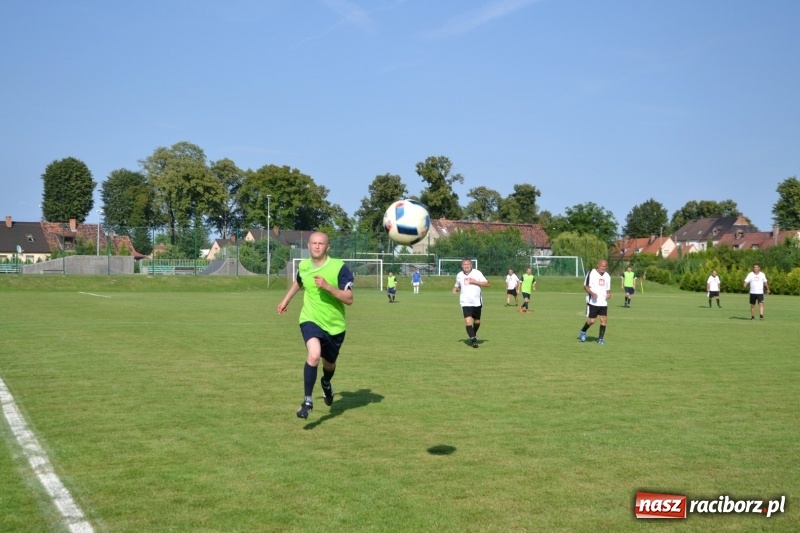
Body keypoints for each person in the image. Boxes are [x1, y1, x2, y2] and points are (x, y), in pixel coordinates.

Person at [277, 232, 354, 419]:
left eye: (321, 243)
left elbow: (349, 299)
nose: (317, 246)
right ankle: (307, 401)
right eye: (314, 243)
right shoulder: (303, 266)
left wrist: (328, 287)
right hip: (310, 318)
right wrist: (285, 300)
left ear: (328, 247)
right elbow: (299, 281)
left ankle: (326, 383)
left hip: (335, 326)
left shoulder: (339, 268)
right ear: (309, 246)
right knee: (313, 355)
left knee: (329, 364)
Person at [453, 258, 489, 348]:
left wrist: (475, 281)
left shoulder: (477, 273)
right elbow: (458, 286)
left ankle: (474, 333)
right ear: (462, 266)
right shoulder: (459, 275)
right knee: (468, 321)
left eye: (468, 264)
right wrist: (456, 289)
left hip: (477, 302)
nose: (466, 266)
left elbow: (487, 284)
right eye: (464, 264)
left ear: (471, 265)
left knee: (477, 322)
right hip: (465, 302)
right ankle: (473, 341)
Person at [578, 259, 611, 344]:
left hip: (603, 302)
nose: (603, 268)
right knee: (592, 321)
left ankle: (600, 339)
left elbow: (608, 290)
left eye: (605, 266)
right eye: (602, 266)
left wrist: (609, 294)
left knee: (604, 319)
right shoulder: (591, 273)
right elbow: (585, 286)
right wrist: (592, 293)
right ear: (598, 265)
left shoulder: (607, 276)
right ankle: (583, 331)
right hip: (593, 302)